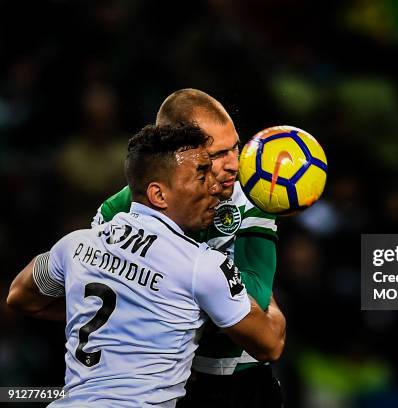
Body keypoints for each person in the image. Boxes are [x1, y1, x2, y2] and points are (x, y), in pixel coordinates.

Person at [7, 124, 286, 407]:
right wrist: (268, 295)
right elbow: (271, 343)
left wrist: (125, 321)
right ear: (159, 195)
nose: (214, 187)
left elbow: (20, 296)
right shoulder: (201, 266)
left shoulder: (76, 245)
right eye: (201, 176)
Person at [93, 89, 282, 407]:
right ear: (183, 153)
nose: (235, 164)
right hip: (160, 384)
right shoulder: (116, 212)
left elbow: (257, 297)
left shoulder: (254, 194)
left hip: (242, 380)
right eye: (220, 153)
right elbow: (100, 299)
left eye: (236, 147)